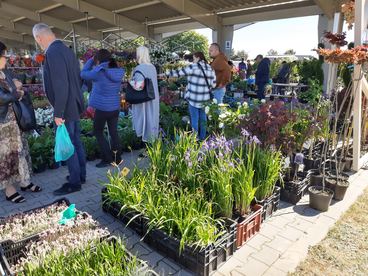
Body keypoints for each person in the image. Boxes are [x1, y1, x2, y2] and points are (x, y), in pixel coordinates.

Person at [33, 23, 86, 196]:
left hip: (65, 108)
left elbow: (61, 85)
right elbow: (78, 80)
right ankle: (80, 175)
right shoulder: (66, 50)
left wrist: (58, 113)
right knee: (76, 141)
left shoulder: (53, 53)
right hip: (74, 104)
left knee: (68, 144)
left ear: (39, 38)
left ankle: (74, 182)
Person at [0, 41, 42, 203]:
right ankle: (10, 191)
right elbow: (3, 97)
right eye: (4, 55)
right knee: (6, 157)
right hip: (3, 123)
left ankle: (25, 182)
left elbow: (17, 86)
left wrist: (18, 90)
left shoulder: (5, 72)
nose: (6, 58)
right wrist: (16, 93)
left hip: (15, 119)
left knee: (21, 151)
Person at [81, 49, 124, 167]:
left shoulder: (98, 71)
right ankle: (117, 158)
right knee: (113, 133)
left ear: (98, 59)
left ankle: (107, 159)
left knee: (98, 132)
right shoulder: (118, 71)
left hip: (102, 108)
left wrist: (91, 60)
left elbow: (83, 73)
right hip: (114, 107)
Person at [166, 52, 216, 140]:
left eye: (193, 58)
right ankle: (203, 138)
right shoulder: (210, 68)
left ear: (197, 57)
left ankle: (195, 139)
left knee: (194, 119)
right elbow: (214, 85)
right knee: (203, 118)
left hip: (194, 99)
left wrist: (166, 73)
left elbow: (178, 73)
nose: (193, 60)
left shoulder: (193, 67)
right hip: (205, 99)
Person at [130, 46, 159, 143]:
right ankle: (153, 145)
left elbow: (138, 86)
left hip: (142, 100)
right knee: (152, 119)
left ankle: (146, 146)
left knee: (144, 120)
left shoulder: (139, 68)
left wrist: (130, 82)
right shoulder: (152, 67)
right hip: (153, 98)